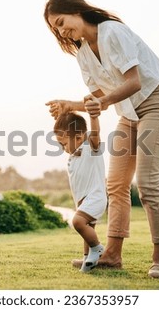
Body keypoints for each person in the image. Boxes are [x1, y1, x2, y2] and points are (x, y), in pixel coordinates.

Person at [44, 0, 159, 278]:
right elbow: (101, 95)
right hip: (128, 115)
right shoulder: (82, 55)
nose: (62, 31)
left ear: (76, 10)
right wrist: (71, 104)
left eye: (62, 22)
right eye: (57, 29)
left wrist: (103, 102)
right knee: (115, 185)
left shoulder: (113, 31)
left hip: (155, 102)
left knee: (147, 183)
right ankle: (112, 256)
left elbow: (134, 81)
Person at [53, 104, 106, 272]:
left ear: (78, 138)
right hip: (85, 199)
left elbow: (95, 133)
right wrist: (63, 117)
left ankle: (97, 248)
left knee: (77, 221)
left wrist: (93, 116)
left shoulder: (90, 147)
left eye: (63, 144)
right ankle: (87, 259)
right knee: (87, 229)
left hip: (96, 197)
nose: (63, 149)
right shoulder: (73, 156)